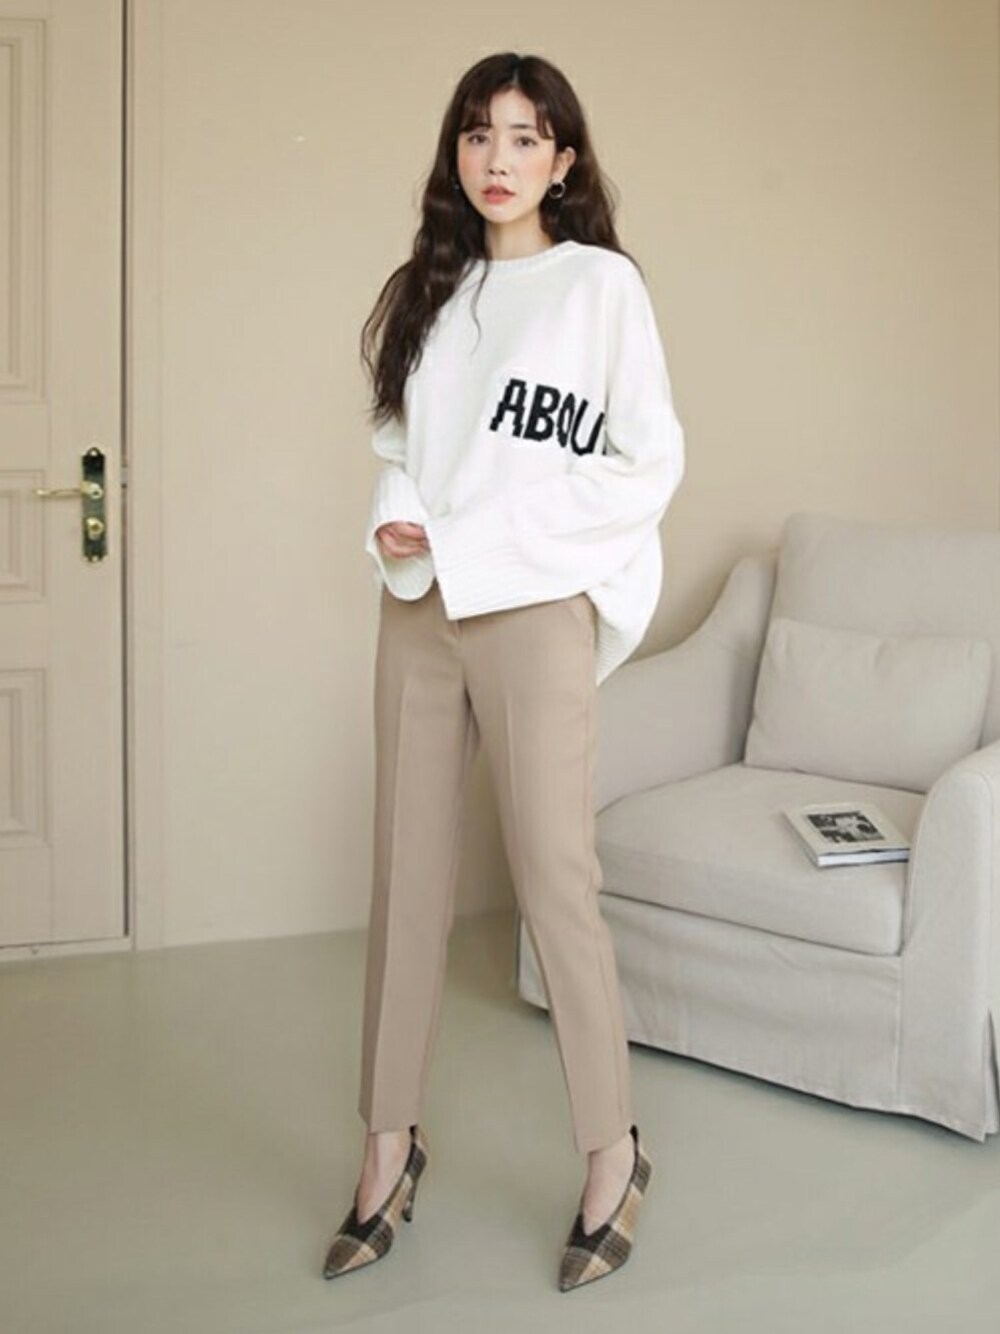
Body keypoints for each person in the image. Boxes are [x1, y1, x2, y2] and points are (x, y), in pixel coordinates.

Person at [323, 50, 685, 1292]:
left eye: (525, 137)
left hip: (533, 605)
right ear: (456, 151)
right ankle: (385, 1147)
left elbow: (644, 462)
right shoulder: (430, 288)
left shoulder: (599, 289)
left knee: (553, 878)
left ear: (563, 160)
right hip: (422, 608)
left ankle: (611, 1149)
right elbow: (398, 444)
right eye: (479, 133)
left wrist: (498, 537)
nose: (498, 158)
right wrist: (394, 516)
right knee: (406, 881)